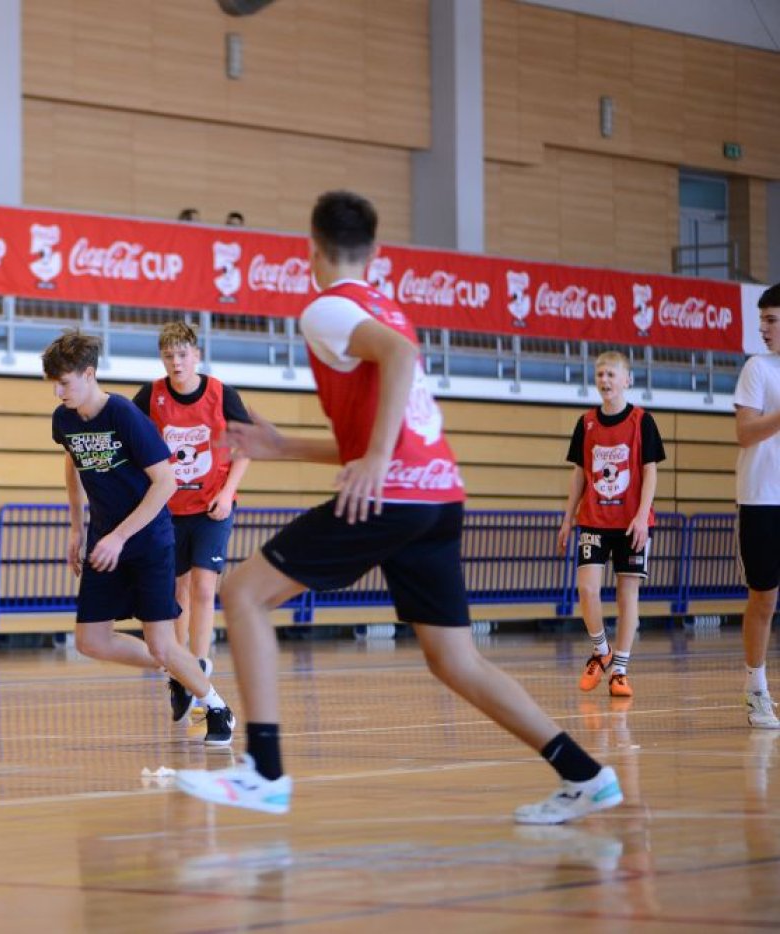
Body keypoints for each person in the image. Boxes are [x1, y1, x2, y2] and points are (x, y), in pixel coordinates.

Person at [175, 191, 620, 822]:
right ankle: (587, 774)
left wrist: (379, 460)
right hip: (438, 497)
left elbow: (398, 369)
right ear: (376, 253)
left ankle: (264, 772)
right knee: (454, 659)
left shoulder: (328, 308)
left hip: (399, 494)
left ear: (311, 250)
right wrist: (287, 446)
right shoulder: (387, 309)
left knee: (243, 593)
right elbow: (384, 423)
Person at [44, 329, 235, 745]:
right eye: (54, 384)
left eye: (64, 383)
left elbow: (165, 483)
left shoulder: (124, 415)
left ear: (89, 374)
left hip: (147, 541)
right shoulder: (64, 419)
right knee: (90, 641)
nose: (58, 392)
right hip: (105, 543)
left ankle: (217, 707)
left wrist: (119, 536)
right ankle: (180, 671)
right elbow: (72, 464)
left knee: (162, 643)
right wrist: (77, 528)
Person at [132, 321, 251, 697]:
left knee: (203, 585)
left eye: (182, 355)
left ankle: (200, 664)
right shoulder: (151, 395)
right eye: (169, 356)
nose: (176, 362)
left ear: (197, 355)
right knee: (177, 590)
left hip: (212, 506)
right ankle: (180, 667)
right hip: (169, 510)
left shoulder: (221, 394)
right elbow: (129, 437)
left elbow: (248, 445)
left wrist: (228, 492)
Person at [556, 352, 664, 699]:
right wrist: (567, 517)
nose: (604, 380)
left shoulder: (642, 421)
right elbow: (579, 473)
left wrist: (642, 515)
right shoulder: (586, 422)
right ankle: (601, 650)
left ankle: (620, 670)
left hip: (631, 521)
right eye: (600, 374)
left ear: (627, 380)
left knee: (626, 594)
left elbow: (650, 471)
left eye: (611, 374)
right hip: (594, 518)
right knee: (587, 588)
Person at [735, 283, 780, 730]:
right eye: (761, 320)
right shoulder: (757, 368)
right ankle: (756, 688)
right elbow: (745, 433)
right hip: (761, 498)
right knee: (763, 598)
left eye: (771, 320)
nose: (763, 328)